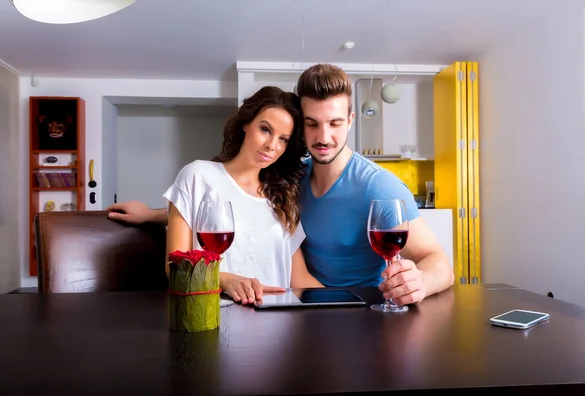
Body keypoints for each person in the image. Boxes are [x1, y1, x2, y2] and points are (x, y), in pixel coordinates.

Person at [108, 64, 453, 306]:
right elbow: (222, 210)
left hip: (345, 310)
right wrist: (155, 214)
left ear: (350, 120)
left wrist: (418, 284)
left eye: (335, 123)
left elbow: (437, 261)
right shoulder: (290, 181)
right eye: (312, 124)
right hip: (276, 309)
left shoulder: (376, 188)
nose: (324, 137)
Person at [154, 86, 323, 304]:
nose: (272, 145)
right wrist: (224, 279)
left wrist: (353, 305)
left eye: (283, 139)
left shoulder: (281, 199)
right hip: (215, 319)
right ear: (246, 124)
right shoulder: (198, 175)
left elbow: (300, 280)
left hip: (277, 325)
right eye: (265, 129)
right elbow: (174, 267)